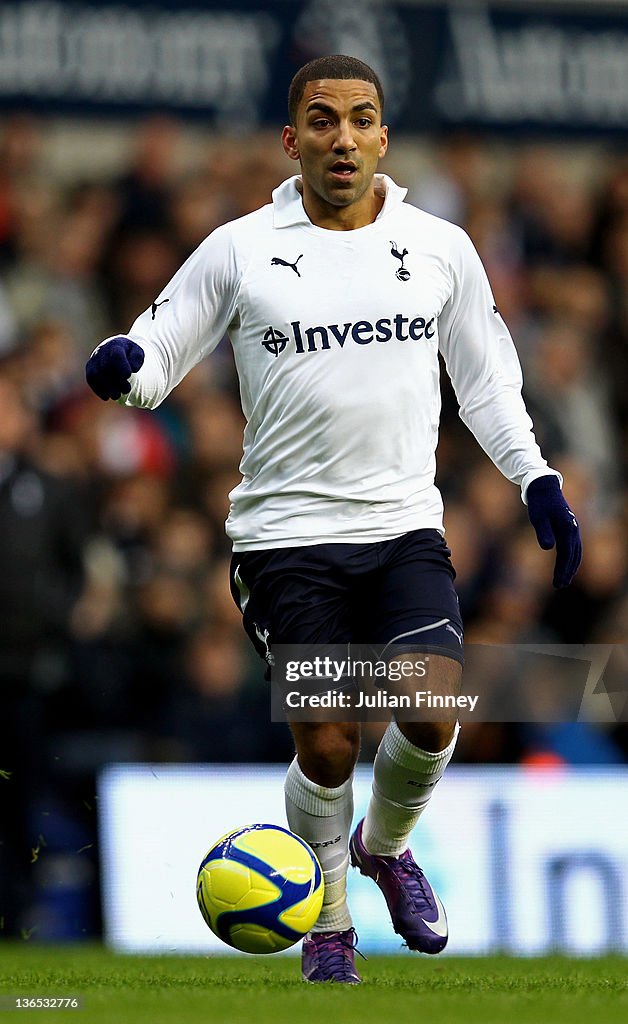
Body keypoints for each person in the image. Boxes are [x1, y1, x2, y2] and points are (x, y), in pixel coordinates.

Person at [85, 55, 582, 983]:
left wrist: (534, 479)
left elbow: (486, 381)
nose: (342, 137)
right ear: (292, 140)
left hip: (402, 528)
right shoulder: (239, 247)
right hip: (286, 538)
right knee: (325, 737)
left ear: (384, 137)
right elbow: (160, 348)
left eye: (360, 119)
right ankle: (331, 925)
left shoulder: (440, 247)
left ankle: (385, 846)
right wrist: (124, 367)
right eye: (322, 120)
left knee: (432, 707)